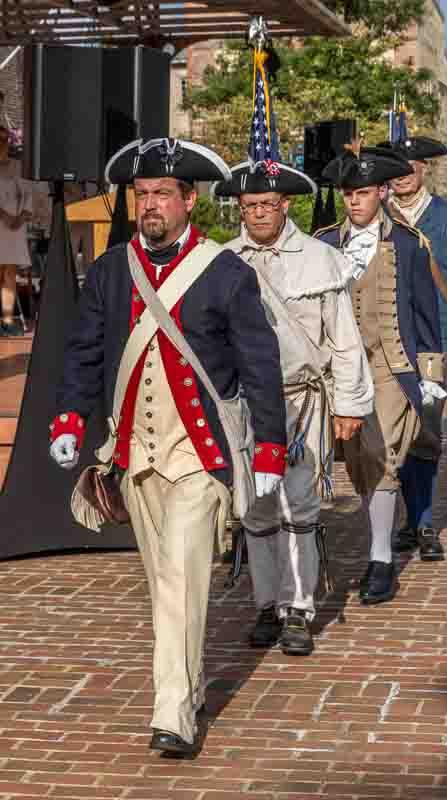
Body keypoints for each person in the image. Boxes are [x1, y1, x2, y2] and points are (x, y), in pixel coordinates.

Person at [49, 137, 288, 756]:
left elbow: (258, 365)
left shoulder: (226, 273)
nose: (149, 203)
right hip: (134, 453)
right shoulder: (109, 270)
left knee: (181, 576)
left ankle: (172, 714)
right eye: (141, 193)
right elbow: (84, 352)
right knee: (165, 584)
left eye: (161, 193)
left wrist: (268, 448)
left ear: (189, 200)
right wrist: (72, 417)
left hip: (198, 455)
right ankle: (189, 683)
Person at [214, 158, 373, 657]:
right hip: (244, 405)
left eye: (266, 204)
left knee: (299, 504)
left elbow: (344, 340)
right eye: (248, 206)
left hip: (301, 402)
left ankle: (299, 608)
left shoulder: (320, 258)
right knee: (255, 507)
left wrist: (349, 403)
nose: (257, 213)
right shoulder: (221, 260)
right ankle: (267, 602)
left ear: (284, 205)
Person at [315, 145, 443, 605]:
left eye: (363, 193)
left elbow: (426, 315)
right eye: (349, 194)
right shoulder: (325, 242)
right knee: (355, 459)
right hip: (338, 367)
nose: (354, 202)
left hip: (391, 367)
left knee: (382, 452)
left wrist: (431, 373)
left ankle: (381, 559)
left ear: (382, 193)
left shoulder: (409, 244)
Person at [382, 134, 447, 560]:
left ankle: (422, 523)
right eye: (398, 166)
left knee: (425, 431)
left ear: (424, 169)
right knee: (391, 434)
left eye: (413, 165)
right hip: (386, 342)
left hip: (433, 344)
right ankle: (409, 515)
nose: (405, 173)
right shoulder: (377, 215)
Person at [0, 118, 32, 336]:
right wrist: (4, 215)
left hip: (14, 229)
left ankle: (7, 319)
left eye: (4, 139)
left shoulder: (17, 166)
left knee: (9, 273)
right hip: (2, 223)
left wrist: (20, 217)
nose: (3, 143)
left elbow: (28, 195)